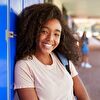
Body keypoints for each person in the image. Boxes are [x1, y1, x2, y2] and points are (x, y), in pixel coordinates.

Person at [14, 3, 90, 100]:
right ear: (33, 31)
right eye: (44, 31)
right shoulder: (24, 66)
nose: (50, 38)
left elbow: (83, 95)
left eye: (56, 34)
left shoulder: (63, 59)